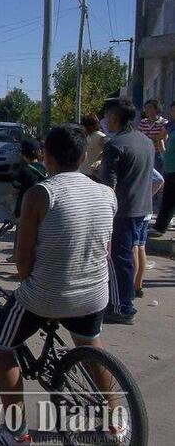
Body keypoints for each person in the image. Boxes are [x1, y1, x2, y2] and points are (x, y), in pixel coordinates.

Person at [0, 124, 117, 446]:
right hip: (95, 292)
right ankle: (116, 422)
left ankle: (17, 433)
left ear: (47, 156)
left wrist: (28, 284)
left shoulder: (40, 193)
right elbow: (104, 250)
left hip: (46, 295)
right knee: (90, 347)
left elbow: (22, 258)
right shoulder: (106, 194)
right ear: (84, 156)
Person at [99, 97, 154, 325]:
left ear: (114, 117)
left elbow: (108, 186)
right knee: (128, 256)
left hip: (122, 211)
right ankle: (122, 300)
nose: (105, 120)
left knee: (118, 259)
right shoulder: (145, 141)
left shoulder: (115, 145)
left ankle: (122, 307)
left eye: (107, 116)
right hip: (142, 208)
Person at [134, 169, 165, 298]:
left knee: (134, 247)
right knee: (141, 247)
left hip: (136, 209)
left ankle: (130, 287)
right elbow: (159, 180)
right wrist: (148, 196)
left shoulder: (137, 160)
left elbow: (159, 180)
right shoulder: (145, 159)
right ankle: (138, 286)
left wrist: (146, 195)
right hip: (145, 210)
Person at [150, 116, 175, 237]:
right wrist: (163, 152)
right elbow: (160, 138)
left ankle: (161, 226)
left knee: (169, 198)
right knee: (168, 198)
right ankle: (161, 226)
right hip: (170, 167)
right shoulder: (171, 126)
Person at [11, 138, 47, 220]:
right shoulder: (45, 169)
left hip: (25, 208)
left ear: (22, 153)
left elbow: (15, 191)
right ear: (38, 151)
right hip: (43, 208)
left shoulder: (22, 171)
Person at [138, 99, 168, 173]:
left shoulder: (164, 122)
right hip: (145, 153)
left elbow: (163, 138)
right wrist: (153, 138)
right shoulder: (143, 122)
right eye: (145, 108)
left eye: (149, 108)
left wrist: (150, 138)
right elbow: (139, 137)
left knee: (159, 175)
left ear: (156, 109)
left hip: (158, 153)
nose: (146, 110)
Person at [79, 113, 107, 177]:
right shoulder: (89, 136)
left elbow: (108, 151)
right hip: (83, 172)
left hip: (93, 174)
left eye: (83, 125)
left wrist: (97, 161)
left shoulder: (100, 136)